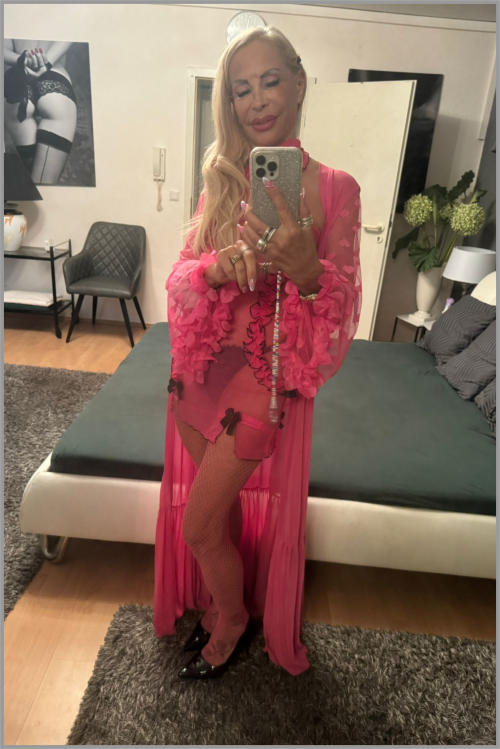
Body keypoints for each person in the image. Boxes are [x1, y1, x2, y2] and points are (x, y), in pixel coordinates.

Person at [154, 26, 362, 680]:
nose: (258, 100)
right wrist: (216, 267)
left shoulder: (337, 189)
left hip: (262, 385)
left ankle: (234, 619)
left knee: (197, 526)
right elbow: (180, 278)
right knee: (216, 518)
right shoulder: (221, 181)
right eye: (241, 89)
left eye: (271, 81)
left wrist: (308, 273)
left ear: (299, 83)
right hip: (199, 373)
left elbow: (344, 309)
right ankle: (226, 601)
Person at [4, 39, 77, 184]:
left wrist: (23, 60)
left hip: (16, 84)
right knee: (43, 187)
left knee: (29, 183)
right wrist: (46, 63)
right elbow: (67, 40)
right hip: (55, 78)